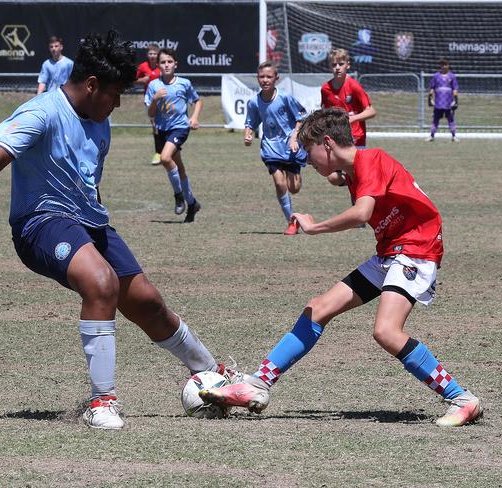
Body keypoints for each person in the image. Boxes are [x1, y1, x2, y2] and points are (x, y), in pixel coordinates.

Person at [0, 31, 231, 430]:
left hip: (89, 222)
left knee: (147, 300)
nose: (119, 104)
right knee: (101, 283)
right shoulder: (42, 112)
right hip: (40, 223)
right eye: (116, 93)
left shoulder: (100, 120)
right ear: (92, 85)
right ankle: (101, 402)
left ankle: (210, 372)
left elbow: (87, 180)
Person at [200, 108, 484, 428]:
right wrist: (304, 136)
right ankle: (258, 384)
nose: (308, 160)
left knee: (386, 332)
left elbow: (362, 213)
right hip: (391, 251)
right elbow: (339, 174)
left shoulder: (371, 160)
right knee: (317, 308)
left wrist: (315, 227)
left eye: (310, 151)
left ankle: (462, 399)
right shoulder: (353, 167)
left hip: (417, 249)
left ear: (328, 143)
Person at [244, 61, 307, 235]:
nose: (265, 80)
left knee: (294, 188)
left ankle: (295, 177)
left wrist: (294, 137)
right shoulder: (254, 102)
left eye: (269, 77)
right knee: (280, 184)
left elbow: (301, 117)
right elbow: (251, 122)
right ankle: (291, 222)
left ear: (276, 79)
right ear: (257, 78)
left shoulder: (285, 98)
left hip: (290, 147)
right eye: (261, 77)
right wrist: (248, 134)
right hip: (270, 148)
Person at [145, 48, 202, 223]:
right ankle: (192, 203)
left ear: (175, 64)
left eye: (170, 61)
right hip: (163, 130)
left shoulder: (184, 83)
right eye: (163, 62)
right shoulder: (154, 86)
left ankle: (178, 196)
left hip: (180, 128)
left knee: (165, 158)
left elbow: (197, 101)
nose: (166, 64)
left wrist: (194, 117)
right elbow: (151, 113)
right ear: (158, 65)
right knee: (179, 168)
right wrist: (155, 99)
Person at [321, 48, 375, 188]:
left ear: (348, 65)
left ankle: (356, 187)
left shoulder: (354, 86)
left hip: (356, 138)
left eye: (341, 64)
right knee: (333, 177)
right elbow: (324, 112)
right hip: (337, 139)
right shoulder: (325, 89)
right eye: (334, 65)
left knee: (358, 177)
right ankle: (350, 183)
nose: (337, 68)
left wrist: (353, 119)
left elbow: (371, 111)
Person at [135, 44, 163, 166]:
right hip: (149, 100)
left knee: (164, 125)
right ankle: (158, 153)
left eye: (154, 53)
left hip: (163, 99)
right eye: (150, 53)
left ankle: (166, 151)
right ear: (147, 54)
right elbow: (132, 80)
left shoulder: (162, 65)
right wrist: (141, 80)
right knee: (155, 126)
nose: (152, 56)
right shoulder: (143, 66)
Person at [426, 59, 459, 142]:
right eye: (442, 65)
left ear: (448, 65)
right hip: (438, 103)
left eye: (445, 64)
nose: (443, 66)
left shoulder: (452, 76)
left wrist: (456, 101)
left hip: (448, 103)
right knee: (435, 119)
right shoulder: (436, 76)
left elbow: (455, 89)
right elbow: (432, 88)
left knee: (451, 119)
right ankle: (432, 136)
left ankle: (454, 136)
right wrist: (430, 99)